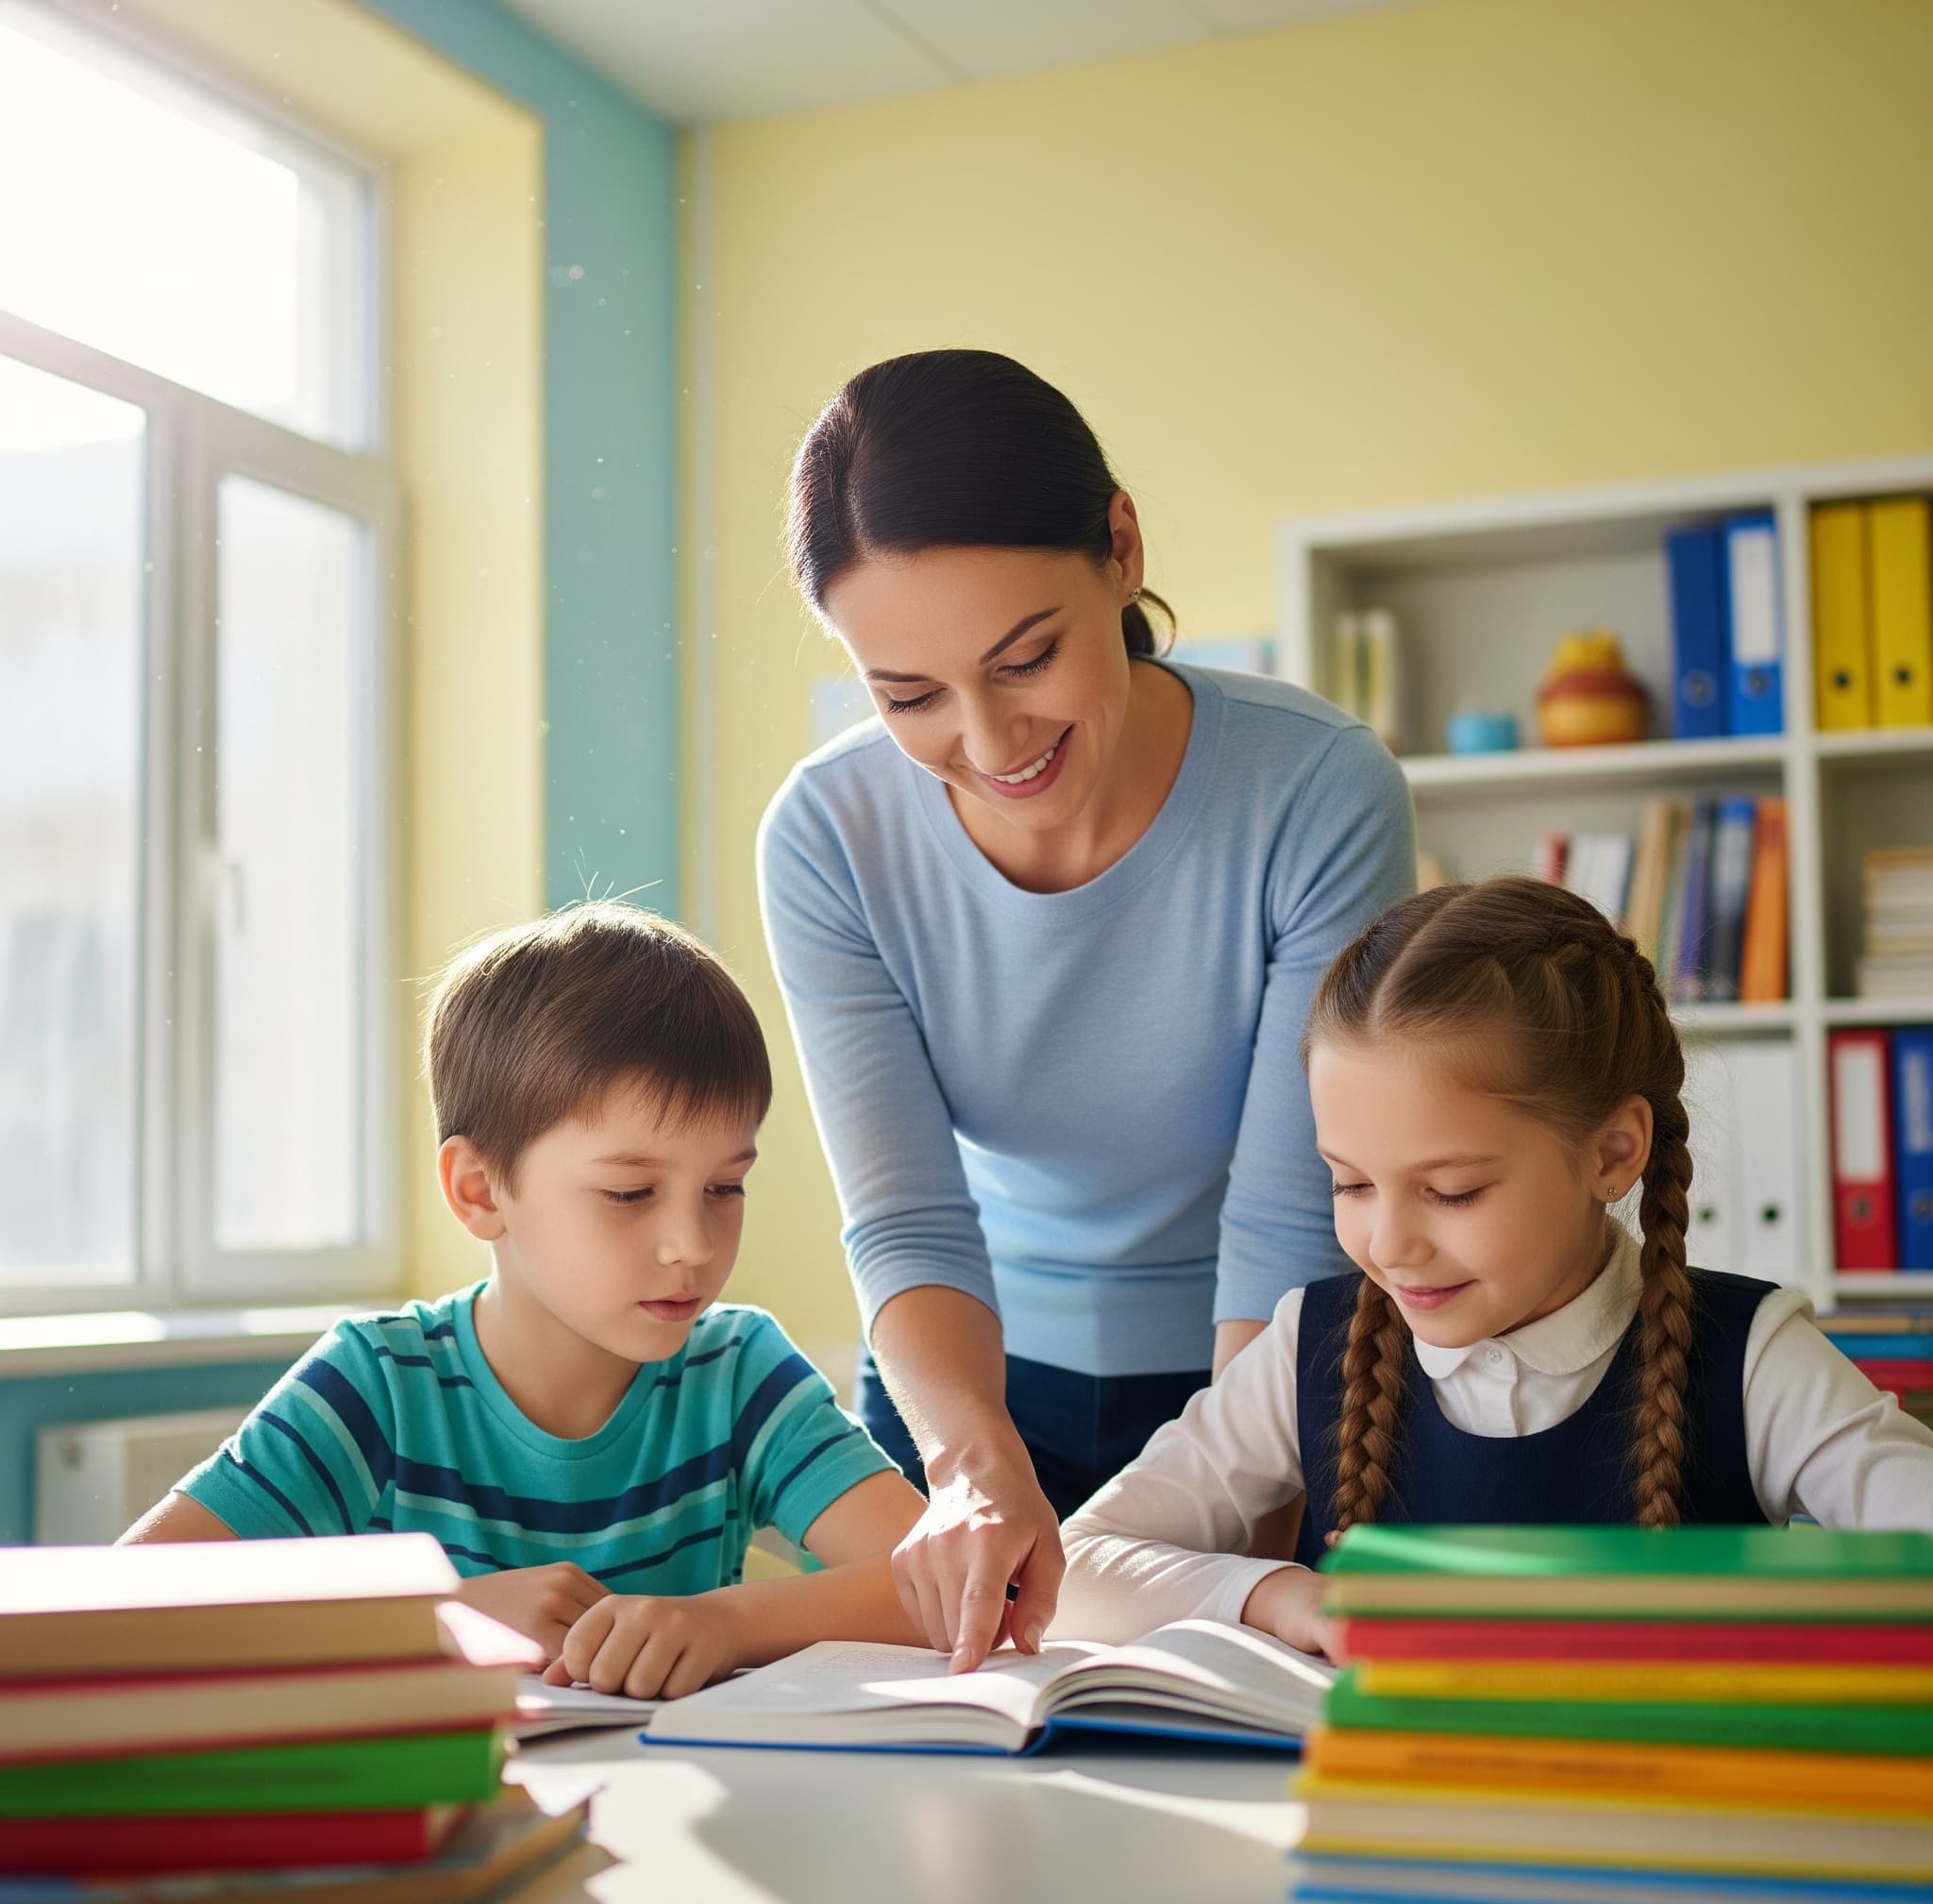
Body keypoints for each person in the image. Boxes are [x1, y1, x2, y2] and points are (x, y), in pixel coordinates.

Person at [758, 348, 1416, 1672]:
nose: (990, 742)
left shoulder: (1314, 789)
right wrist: (971, 1463)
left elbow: (1287, 1218)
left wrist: (1243, 1523)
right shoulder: (827, 838)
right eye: (909, 696)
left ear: (1120, 548)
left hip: (1256, 1382)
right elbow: (906, 1218)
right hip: (970, 1393)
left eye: (1026, 658)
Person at [1053, 877, 1933, 1650]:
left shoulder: (1750, 1356)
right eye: (1351, 1184)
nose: (1389, 1246)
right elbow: (1075, 1566)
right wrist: (1284, 1598)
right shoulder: (1309, 1344)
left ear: (1613, 1153)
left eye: (1453, 1191)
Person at [121, 902, 927, 1699]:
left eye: (725, 1187)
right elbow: (126, 1605)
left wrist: (728, 1623)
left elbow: (948, 1584)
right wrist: (441, 1614)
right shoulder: (378, 1384)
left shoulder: (739, 1371)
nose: (693, 1243)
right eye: (629, 1192)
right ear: (479, 1190)